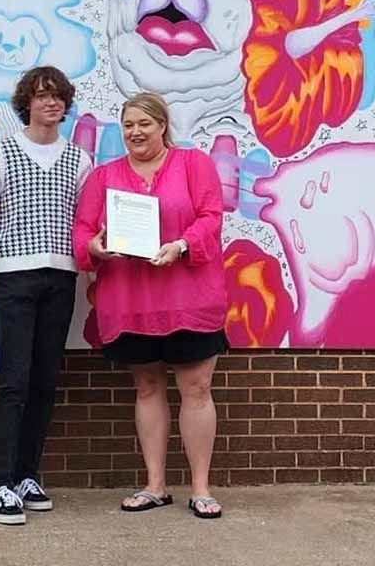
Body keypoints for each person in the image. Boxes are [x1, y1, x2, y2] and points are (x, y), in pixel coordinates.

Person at [72, 92, 228, 519]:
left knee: (196, 389)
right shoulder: (104, 176)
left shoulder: (194, 164)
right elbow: (84, 230)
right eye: (128, 125)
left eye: (144, 123)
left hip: (190, 299)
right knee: (147, 388)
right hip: (131, 300)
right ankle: (155, 485)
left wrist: (181, 245)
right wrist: (96, 248)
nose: (135, 132)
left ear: (162, 125)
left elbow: (211, 217)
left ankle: (200, 488)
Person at [0, 66, 92, 525]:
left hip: (61, 276)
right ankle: (0, 484)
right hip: (14, 274)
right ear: (26, 101)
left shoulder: (80, 160)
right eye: (42, 95)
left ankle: (27, 473)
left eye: (58, 97)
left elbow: (85, 221)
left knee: (46, 380)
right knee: (14, 382)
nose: (51, 103)